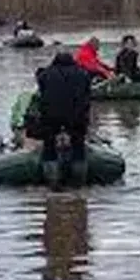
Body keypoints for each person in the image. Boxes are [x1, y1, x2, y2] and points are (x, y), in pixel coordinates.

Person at [36, 52, 92, 185]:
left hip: (51, 116)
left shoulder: (45, 74)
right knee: (78, 148)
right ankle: (79, 183)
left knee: (49, 148)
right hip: (77, 116)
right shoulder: (83, 74)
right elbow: (87, 96)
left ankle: (53, 182)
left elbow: (42, 95)